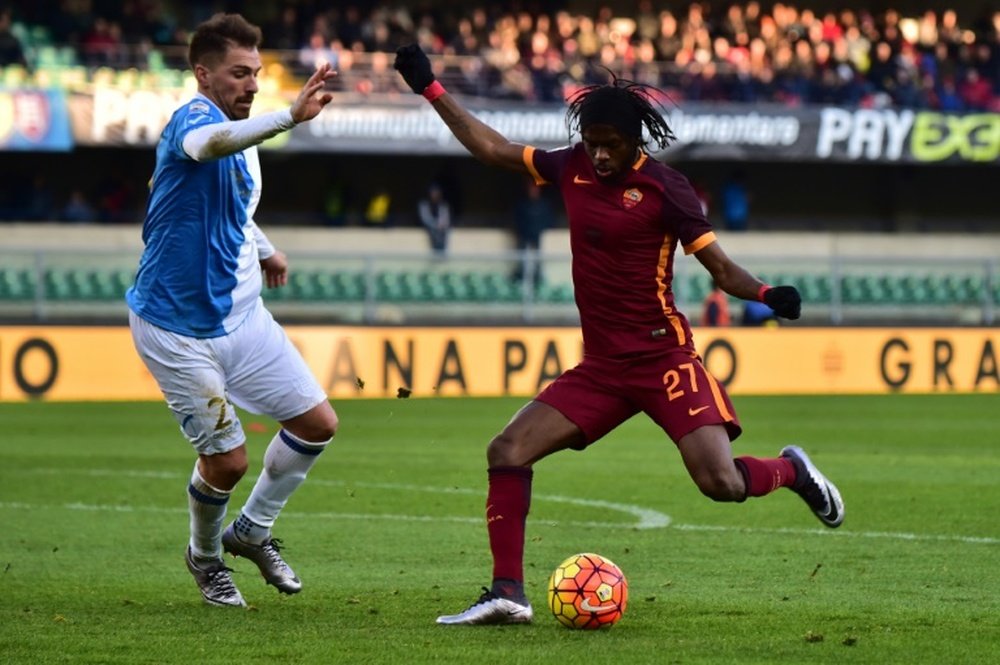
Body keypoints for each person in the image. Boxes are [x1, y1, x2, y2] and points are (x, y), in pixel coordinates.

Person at [394, 43, 844, 626]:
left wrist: (765, 294)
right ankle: (507, 592)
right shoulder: (570, 165)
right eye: (592, 142)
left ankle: (791, 470)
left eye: (610, 145)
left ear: (637, 141)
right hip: (603, 368)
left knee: (721, 483)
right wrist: (431, 88)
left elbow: (721, 269)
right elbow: (491, 148)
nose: (599, 155)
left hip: (663, 358)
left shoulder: (667, 189)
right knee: (507, 449)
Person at [126, 13, 339, 608]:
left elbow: (237, 209)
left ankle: (251, 530)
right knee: (228, 461)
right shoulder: (196, 119)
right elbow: (207, 146)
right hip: (177, 328)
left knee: (317, 425)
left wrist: (266, 248)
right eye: (239, 73)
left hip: (243, 317)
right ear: (203, 73)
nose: (251, 84)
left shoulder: (246, 141)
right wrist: (289, 117)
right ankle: (206, 556)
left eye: (257, 73)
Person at [512, 179, 553, 284]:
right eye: (531, 189)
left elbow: (549, 222)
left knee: (539, 262)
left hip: (539, 238)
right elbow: (517, 222)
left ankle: (538, 280)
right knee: (522, 262)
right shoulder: (522, 205)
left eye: (535, 189)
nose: (533, 191)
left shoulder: (544, 205)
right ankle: (521, 280)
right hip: (524, 238)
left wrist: (539, 234)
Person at [417, 182, 452, 256]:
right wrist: (436, 225)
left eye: (436, 192)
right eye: (433, 192)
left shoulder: (443, 205)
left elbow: (445, 218)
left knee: (445, 232)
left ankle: (442, 253)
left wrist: (442, 224)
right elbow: (425, 218)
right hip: (429, 229)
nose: (434, 195)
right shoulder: (424, 204)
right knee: (433, 233)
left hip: (441, 230)